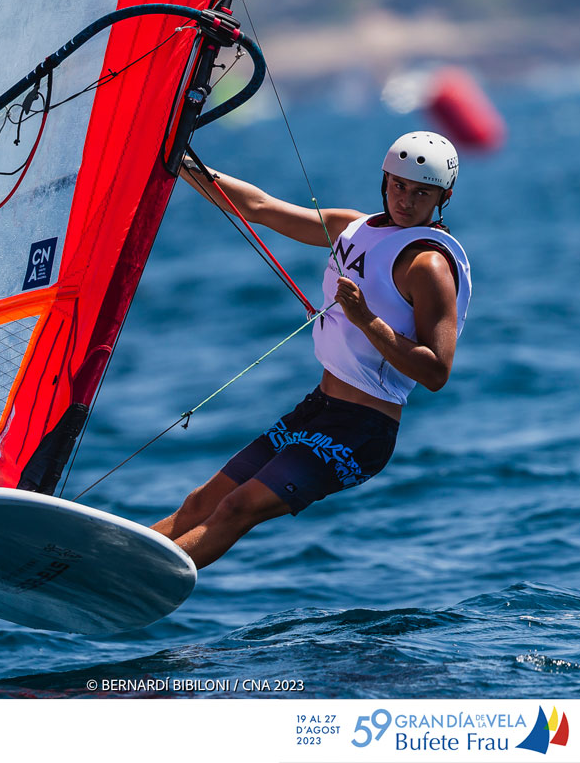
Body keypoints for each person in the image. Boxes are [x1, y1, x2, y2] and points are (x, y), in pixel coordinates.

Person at [151, 131, 472, 569]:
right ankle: (97, 565)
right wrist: (180, 159)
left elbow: (436, 373)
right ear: (384, 179)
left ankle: (136, 581)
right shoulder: (353, 227)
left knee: (236, 508)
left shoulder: (428, 265)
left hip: (363, 431)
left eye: (422, 193)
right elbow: (259, 207)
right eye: (398, 185)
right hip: (317, 409)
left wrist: (367, 320)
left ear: (443, 196)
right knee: (200, 502)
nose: (406, 200)